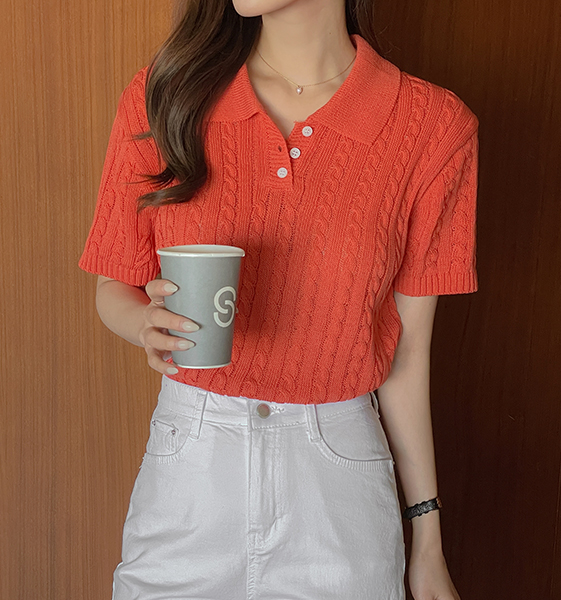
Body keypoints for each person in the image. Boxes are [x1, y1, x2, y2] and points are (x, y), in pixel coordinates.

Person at [79, 0, 479, 598]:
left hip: (338, 483)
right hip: (191, 461)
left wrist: (427, 541)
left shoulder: (434, 127)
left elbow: (408, 353)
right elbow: (114, 283)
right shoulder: (165, 94)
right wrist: (144, 323)